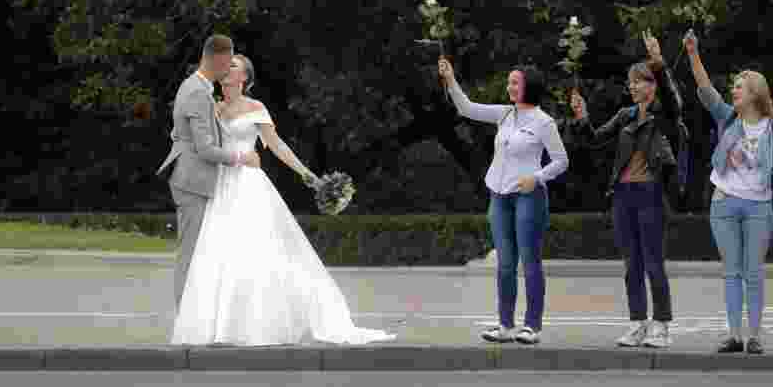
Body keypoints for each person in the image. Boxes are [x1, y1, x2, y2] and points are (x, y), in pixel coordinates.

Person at [170, 54, 395, 346]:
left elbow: (276, 145)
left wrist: (306, 174)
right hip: (219, 186)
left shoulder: (256, 108)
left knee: (255, 251)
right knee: (217, 252)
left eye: (234, 66)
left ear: (244, 79)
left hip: (247, 186)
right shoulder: (211, 108)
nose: (227, 69)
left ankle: (255, 324)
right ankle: (217, 327)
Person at [438, 57, 568, 344]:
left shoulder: (544, 122)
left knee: (530, 262)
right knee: (505, 264)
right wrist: (450, 78)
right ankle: (505, 325)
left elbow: (561, 161)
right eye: (509, 82)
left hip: (528, 197)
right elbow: (466, 108)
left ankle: (531, 326)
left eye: (515, 83)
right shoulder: (504, 115)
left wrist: (537, 177)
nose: (509, 87)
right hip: (498, 196)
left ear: (529, 87)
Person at [567, 32, 682, 348]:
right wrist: (582, 117)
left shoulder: (664, 115)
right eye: (630, 82)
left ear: (652, 86)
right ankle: (638, 324)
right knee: (631, 265)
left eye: (639, 81)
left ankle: (661, 325)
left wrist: (658, 64)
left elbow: (674, 99)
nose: (632, 86)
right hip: (623, 196)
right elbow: (592, 139)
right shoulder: (625, 116)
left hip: (651, 194)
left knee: (654, 263)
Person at [686, 32, 773, 355]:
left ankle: (755, 336)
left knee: (753, 271)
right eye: (733, 87)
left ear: (755, 93)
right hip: (724, 203)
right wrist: (693, 54)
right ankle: (734, 335)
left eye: (739, 86)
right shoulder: (728, 117)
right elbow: (705, 91)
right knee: (731, 271)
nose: (733, 91)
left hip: (759, 206)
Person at [156, 35, 261, 307]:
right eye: (229, 61)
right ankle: (185, 321)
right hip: (192, 181)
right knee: (190, 254)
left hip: (193, 178)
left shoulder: (197, 88)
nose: (229, 68)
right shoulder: (197, 92)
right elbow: (205, 149)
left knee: (199, 253)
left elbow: (181, 134)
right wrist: (242, 157)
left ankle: (195, 317)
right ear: (218, 58)